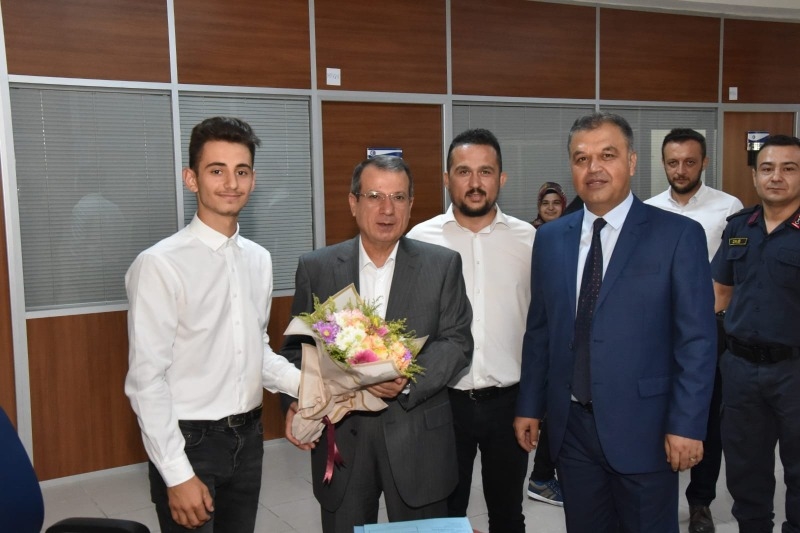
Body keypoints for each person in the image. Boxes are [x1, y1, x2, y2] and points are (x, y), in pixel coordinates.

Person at [513, 112, 717, 533]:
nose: (594, 168)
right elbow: (541, 331)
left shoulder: (678, 235)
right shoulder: (550, 239)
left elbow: (696, 340)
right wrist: (530, 405)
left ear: (633, 161)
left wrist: (687, 423)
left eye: (607, 155)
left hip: (647, 426)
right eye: (581, 158)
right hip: (572, 430)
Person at [124, 116, 302, 532]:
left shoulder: (259, 259)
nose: (231, 183)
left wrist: (315, 386)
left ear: (253, 180)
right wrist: (176, 473)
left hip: (250, 440)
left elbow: (255, 350)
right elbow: (146, 381)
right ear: (191, 179)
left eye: (242, 171)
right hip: (190, 443)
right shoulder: (159, 264)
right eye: (216, 171)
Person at [281, 155, 474, 533]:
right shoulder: (317, 268)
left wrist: (408, 380)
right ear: (353, 203)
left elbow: (457, 340)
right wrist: (295, 400)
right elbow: (294, 350)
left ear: (411, 205)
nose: (387, 209)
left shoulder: (442, 265)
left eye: (398, 197)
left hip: (418, 436)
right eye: (374, 196)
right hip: (343, 439)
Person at [406, 128, 534, 532]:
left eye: (485, 172)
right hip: (441, 404)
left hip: (510, 404)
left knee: (508, 515)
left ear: (502, 178)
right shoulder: (419, 241)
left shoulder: (530, 240)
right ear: (447, 178)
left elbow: (542, 326)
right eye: (464, 171)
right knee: (444, 518)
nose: (475, 183)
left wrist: (535, 403)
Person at [645, 128, 743, 533]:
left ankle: (700, 503)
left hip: (708, 332)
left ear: (704, 162)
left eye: (689, 162)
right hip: (656, 333)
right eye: (673, 162)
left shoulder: (728, 207)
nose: (681, 170)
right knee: (655, 415)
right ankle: (657, 498)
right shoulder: (647, 210)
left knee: (704, 419)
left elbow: (735, 272)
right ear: (663, 164)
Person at [711, 134, 800, 533]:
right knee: (745, 468)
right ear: (754, 176)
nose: (776, 177)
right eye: (767, 168)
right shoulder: (738, 227)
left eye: (788, 168)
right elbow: (719, 294)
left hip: (795, 371)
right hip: (741, 369)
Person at [527, 181, 569, 507]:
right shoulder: (529, 237)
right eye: (546, 203)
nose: (551, 208)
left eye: (556, 203)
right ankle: (541, 476)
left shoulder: (574, 236)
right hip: (541, 334)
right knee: (552, 410)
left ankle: (546, 474)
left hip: (564, 337)